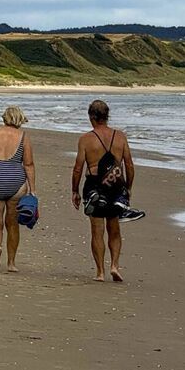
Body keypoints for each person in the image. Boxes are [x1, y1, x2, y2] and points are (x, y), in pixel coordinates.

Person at [71, 99, 139, 282]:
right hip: (116, 185)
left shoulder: (86, 139)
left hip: (94, 185)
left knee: (97, 229)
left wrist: (74, 191)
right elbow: (129, 165)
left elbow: (78, 168)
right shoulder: (120, 137)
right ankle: (115, 266)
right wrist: (128, 188)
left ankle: (100, 272)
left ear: (92, 117)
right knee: (114, 227)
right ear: (107, 116)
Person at [0, 105, 36, 272]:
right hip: (15, 183)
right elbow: (29, 164)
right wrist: (33, 188)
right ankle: (11, 263)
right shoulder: (23, 137)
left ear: (5, 118)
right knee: (12, 224)